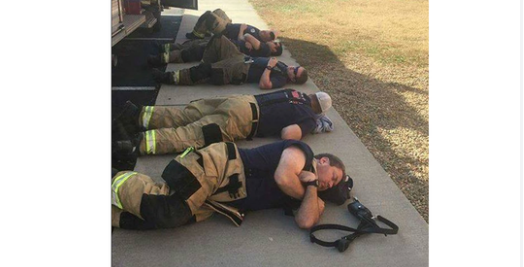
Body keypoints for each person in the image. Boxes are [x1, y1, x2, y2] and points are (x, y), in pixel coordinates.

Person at [111, 140, 353, 230]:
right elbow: (283, 176)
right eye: (332, 176)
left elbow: (306, 221)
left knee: (152, 220)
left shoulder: (309, 190)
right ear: (324, 161)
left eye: (331, 186)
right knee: (169, 212)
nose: (328, 183)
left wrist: (311, 188)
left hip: (221, 200)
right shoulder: (302, 152)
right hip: (220, 167)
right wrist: (306, 190)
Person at [113, 88, 332, 156]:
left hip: (239, 101)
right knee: (192, 135)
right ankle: (135, 144)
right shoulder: (309, 117)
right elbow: (288, 135)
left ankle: (137, 114)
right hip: (243, 120)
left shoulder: (295, 93)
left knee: (187, 114)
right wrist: (309, 128)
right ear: (320, 111)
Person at [152, 35, 307, 89]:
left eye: (295, 71)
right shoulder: (285, 67)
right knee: (218, 39)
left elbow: (264, 85)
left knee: (205, 71)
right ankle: (167, 56)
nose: (293, 68)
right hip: (240, 57)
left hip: (239, 70)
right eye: (296, 67)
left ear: (293, 79)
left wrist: (269, 67)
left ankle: (167, 77)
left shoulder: (281, 79)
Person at [148, 34, 283, 66]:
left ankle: (158, 59)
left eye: (275, 43)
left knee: (194, 51)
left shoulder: (265, 49)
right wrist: (247, 41)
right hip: (231, 44)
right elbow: (243, 38)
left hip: (228, 48)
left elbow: (247, 36)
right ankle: (161, 49)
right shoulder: (263, 46)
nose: (272, 42)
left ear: (275, 48)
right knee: (193, 44)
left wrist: (248, 40)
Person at [185, 9, 277, 42]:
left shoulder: (255, 39)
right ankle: (206, 30)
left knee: (209, 16)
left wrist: (241, 29)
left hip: (225, 31)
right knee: (219, 11)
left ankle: (197, 34)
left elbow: (240, 41)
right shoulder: (259, 32)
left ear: (266, 40)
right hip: (229, 25)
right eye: (267, 31)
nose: (264, 31)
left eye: (266, 34)